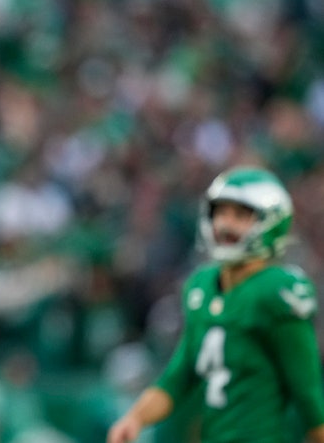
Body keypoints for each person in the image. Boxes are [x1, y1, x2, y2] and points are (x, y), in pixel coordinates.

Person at [107, 166, 324, 443]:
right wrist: (136, 417)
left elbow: (307, 392)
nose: (225, 224)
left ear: (271, 220)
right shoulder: (202, 286)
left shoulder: (276, 291)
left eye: (240, 215)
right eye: (220, 212)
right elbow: (179, 375)